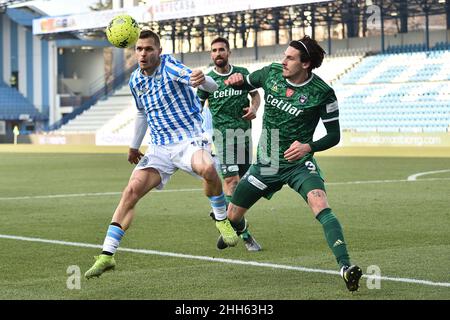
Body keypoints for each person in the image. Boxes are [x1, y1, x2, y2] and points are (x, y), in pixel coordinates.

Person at [85, 29, 239, 279]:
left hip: (188, 139)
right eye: (139, 49)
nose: (143, 53)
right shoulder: (136, 80)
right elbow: (142, 113)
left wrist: (202, 79)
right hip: (159, 148)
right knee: (131, 191)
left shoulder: (170, 67)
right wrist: (134, 146)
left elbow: (206, 84)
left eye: (148, 49)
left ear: (159, 51)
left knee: (209, 169)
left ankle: (221, 218)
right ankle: (107, 255)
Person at [223, 35, 362, 292]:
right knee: (231, 217)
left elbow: (334, 135)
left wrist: (308, 147)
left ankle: (345, 267)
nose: (283, 61)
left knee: (320, 202)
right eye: (284, 56)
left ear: (306, 63)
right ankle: (239, 228)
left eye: (290, 58)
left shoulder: (323, 93)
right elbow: (246, 83)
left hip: (299, 163)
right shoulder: (271, 74)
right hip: (267, 162)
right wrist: (235, 81)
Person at [197, 37, 262, 251]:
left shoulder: (242, 73)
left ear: (229, 52)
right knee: (232, 183)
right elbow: (196, 110)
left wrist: (254, 109)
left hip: (243, 137)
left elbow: (256, 95)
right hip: (222, 138)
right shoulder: (207, 81)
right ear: (211, 54)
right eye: (214, 50)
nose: (218, 54)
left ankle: (226, 216)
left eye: (221, 50)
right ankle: (244, 234)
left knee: (242, 187)